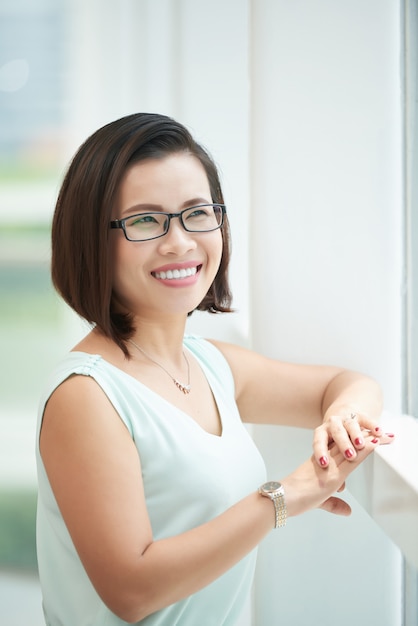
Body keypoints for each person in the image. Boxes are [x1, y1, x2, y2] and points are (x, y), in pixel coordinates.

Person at [36, 112, 394, 626]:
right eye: (144, 220)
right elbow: (131, 592)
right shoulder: (87, 394)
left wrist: (345, 418)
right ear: (93, 239)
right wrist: (287, 496)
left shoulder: (210, 364)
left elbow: (349, 384)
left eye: (197, 213)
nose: (179, 241)